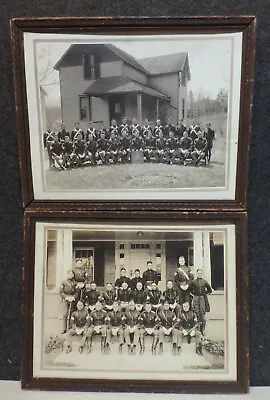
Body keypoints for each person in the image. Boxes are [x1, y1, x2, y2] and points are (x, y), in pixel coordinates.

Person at [189, 268, 212, 334]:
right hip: (196, 297)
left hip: (202, 298)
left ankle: (202, 329)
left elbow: (210, 290)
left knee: (202, 313)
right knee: (197, 312)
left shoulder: (205, 282)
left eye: (200, 273)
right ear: (196, 274)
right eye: (198, 273)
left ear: (202, 274)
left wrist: (205, 293)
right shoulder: (193, 282)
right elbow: (189, 290)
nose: (199, 274)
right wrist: (193, 295)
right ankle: (198, 330)